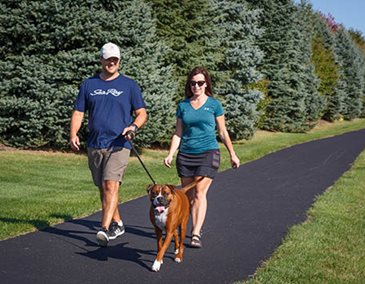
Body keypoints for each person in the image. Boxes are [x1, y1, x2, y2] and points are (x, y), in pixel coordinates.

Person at [70, 42, 147, 247]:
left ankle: (104, 229)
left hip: (119, 144)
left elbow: (141, 113)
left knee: (111, 183)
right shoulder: (89, 85)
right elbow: (79, 112)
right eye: (108, 59)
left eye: (115, 60)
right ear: (101, 60)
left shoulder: (129, 85)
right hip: (95, 144)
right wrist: (73, 133)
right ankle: (118, 222)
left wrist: (133, 127)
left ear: (119, 61)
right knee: (104, 187)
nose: (112, 63)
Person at [164, 66, 240, 248]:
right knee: (187, 197)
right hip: (186, 155)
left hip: (208, 153)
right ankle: (185, 226)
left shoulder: (214, 105)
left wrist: (232, 154)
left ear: (206, 84)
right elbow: (178, 133)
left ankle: (195, 233)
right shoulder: (183, 106)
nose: (196, 86)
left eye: (200, 83)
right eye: (193, 83)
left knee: (200, 192)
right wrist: (171, 153)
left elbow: (222, 131)